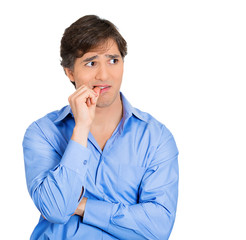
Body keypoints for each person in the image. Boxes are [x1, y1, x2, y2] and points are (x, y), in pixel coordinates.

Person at [23, 15, 179, 240]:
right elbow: (56, 209)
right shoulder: (43, 133)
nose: (104, 75)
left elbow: (158, 229)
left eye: (113, 60)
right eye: (91, 62)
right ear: (70, 72)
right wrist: (81, 129)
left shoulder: (156, 138)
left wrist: (82, 205)